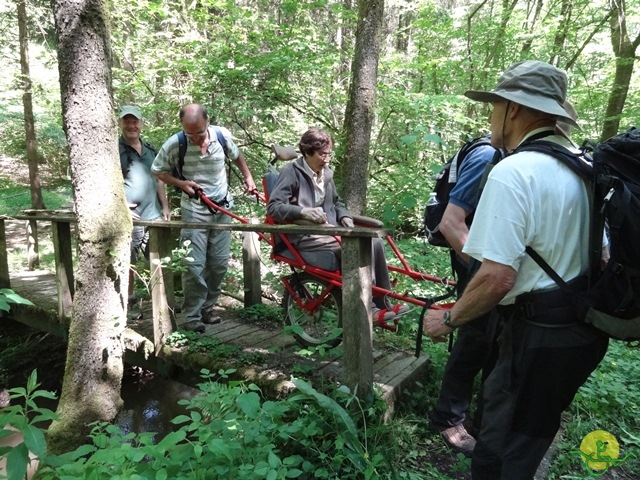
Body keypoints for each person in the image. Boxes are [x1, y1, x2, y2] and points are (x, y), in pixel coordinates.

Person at [424, 60, 609, 479]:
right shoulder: (584, 167)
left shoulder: (514, 171)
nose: (490, 115)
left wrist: (448, 319)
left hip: (537, 337)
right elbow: (601, 255)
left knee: (500, 453)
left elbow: (497, 277)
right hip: (581, 333)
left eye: (494, 105)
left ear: (513, 108)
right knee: (530, 432)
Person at [267, 128, 407, 324]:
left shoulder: (326, 174)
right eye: (322, 154)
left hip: (330, 230)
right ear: (307, 152)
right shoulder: (291, 172)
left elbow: (337, 203)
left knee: (374, 241)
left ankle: (382, 303)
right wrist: (302, 212)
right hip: (303, 235)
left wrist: (345, 218)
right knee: (354, 248)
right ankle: (369, 308)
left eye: (329, 154)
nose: (326, 159)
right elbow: (274, 207)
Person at [151, 104, 256, 333]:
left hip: (222, 210)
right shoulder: (174, 144)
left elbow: (237, 156)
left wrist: (248, 177)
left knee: (218, 264)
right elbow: (157, 170)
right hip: (194, 210)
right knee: (193, 265)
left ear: (207, 123)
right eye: (190, 135)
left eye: (199, 133)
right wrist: (181, 184)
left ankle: (208, 308)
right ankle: (192, 316)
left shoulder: (221, 136)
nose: (196, 139)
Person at [429, 137, 502, 454]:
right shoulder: (486, 154)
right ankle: (448, 419)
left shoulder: (515, 156)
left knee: (497, 341)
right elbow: (451, 222)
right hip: (480, 263)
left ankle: (483, 421)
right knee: (475, 338)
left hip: (495, 265)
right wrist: (483, 271)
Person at [118, 105, 170, 311]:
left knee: (159, 259)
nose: (132, 126)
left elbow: (159, 179)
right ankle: (128, 302)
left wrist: (165, 206)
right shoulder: (115, 150)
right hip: (131, 217)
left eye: (135, 121)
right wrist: (121, 207)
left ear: (141, 123)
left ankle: (163, 303)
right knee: (128, 261)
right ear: (121, 123)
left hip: (154, 214)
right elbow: (109, 183)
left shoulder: (150, 150)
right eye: (127, 121)